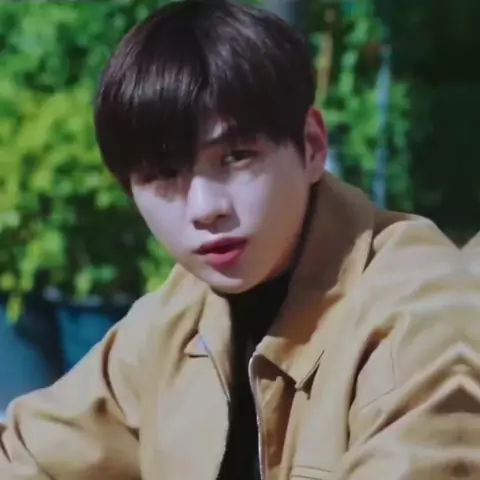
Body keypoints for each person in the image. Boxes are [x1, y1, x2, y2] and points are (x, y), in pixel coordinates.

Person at [0, 1, 465, 479]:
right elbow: (25, 455)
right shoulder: (178, 317)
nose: (205, 207)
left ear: (311, 146)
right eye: (164, 175)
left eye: (236, 157)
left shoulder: (424, 315)